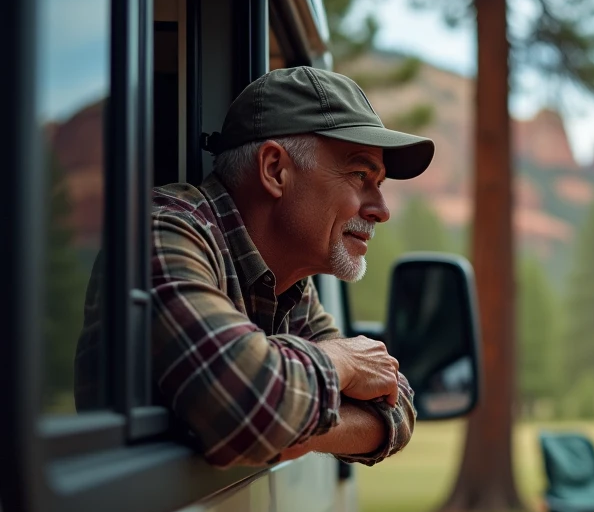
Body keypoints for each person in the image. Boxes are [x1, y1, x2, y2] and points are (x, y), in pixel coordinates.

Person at [76, 66, 435, 468]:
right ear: (274, 170)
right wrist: (343, 361)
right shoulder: (160, 232)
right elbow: (247, 406)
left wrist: (292, 429)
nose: (381, 210)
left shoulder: (289, 281)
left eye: (379, 184)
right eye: (359, 175)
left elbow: (396, 410)